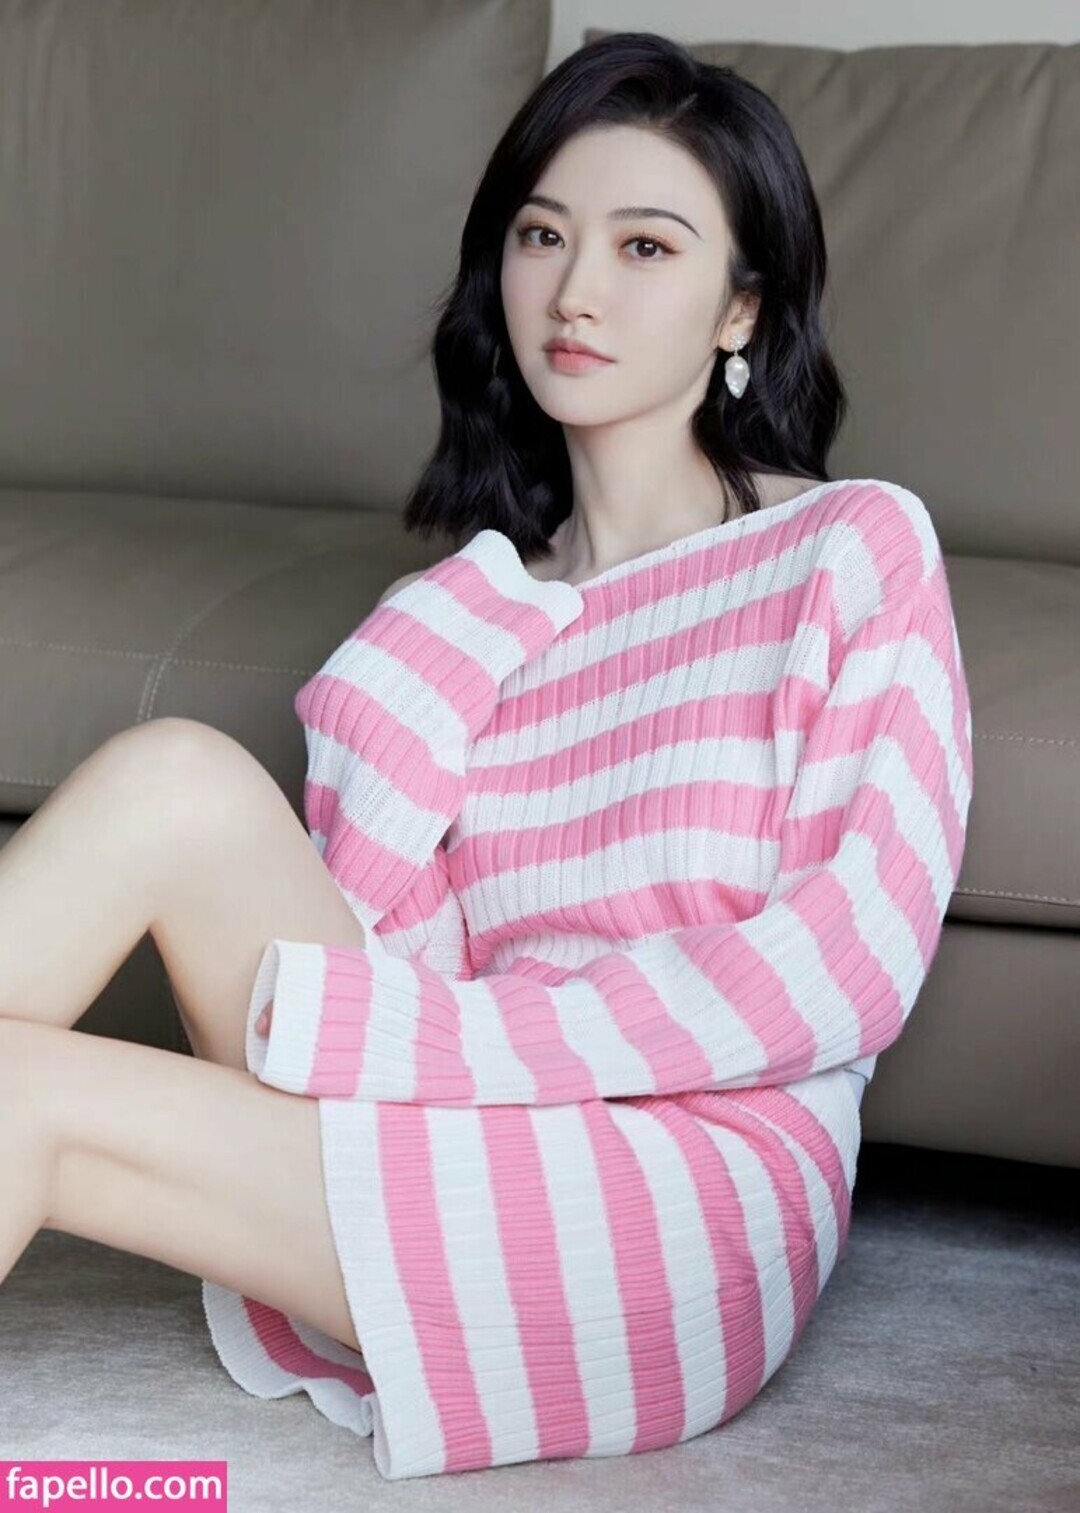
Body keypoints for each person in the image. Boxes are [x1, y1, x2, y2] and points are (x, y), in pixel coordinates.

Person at [0, 31, 973, 1484]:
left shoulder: (851, 547)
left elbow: (846, 968)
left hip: (684, 1194)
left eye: (646, 246)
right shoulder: (457, 617)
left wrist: (427, 1045)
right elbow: (384, 963)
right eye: (541, 235)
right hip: (453, 1113)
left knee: (26, 1093)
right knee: (174, 778)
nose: (576, 291)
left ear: (742, 306)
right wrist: (450, 648)